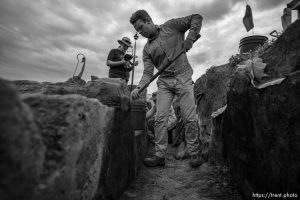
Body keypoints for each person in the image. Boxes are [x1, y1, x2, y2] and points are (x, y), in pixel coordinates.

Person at [129, 10, 204, 168]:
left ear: (149, 20)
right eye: (138, 31)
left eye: (141, 27)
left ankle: (194, 153)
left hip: (183, 75)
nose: (141, 32)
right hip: (164, 82)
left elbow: (196, 18)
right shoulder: (147, 50)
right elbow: (148, 74)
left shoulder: (171, 26)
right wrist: (139, 89)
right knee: (159, 118)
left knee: (189, 117)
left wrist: (190, 38)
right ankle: (159, 156)